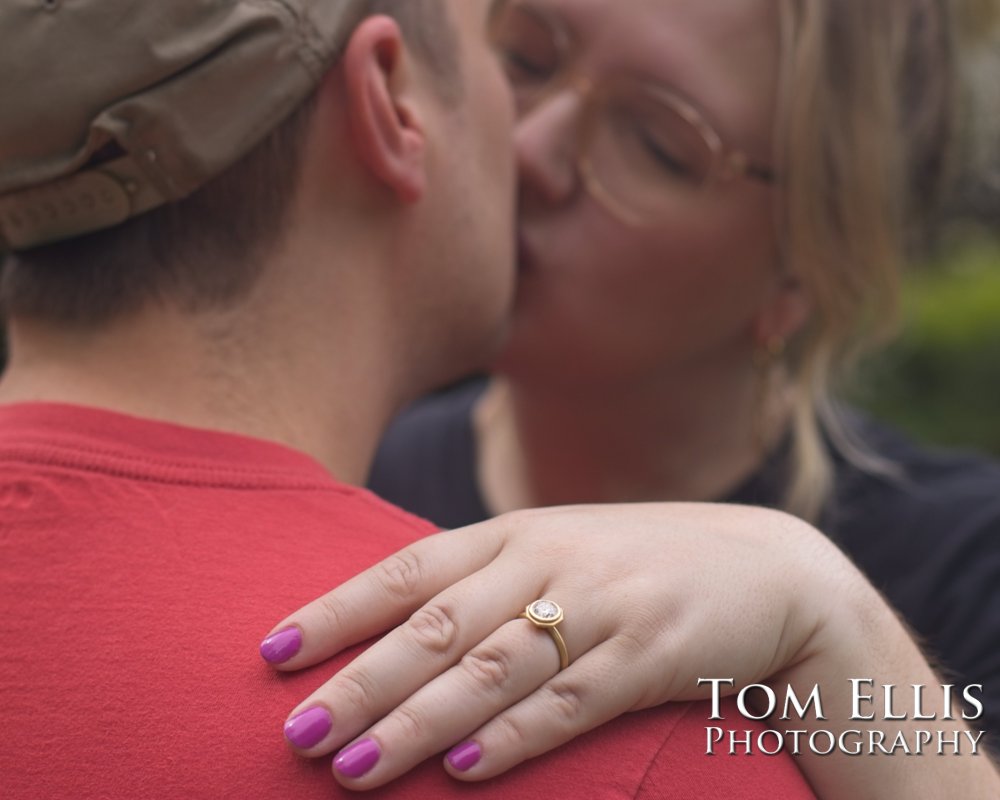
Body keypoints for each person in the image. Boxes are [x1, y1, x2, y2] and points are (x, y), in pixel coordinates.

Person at [0, 0, 817, 798]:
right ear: (389, 100)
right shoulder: (623, 744)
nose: (528, 147)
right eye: (508, 51)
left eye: (657, 146)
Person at [262, 0, 1000, 795]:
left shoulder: (967, 565)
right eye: (527, 58)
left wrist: (830, 623)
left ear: (804, 275)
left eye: (657, 143)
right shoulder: (348, 467)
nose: (529, 147)